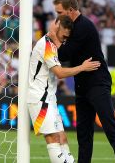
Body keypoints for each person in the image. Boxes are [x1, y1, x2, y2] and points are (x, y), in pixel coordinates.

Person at [49, 0, 115, 163]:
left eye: (59, 12)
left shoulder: (84, 27)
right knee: (83, 134)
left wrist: (54, 35)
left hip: (97, 84)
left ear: (71, 10)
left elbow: (64, 55)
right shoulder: (74, 27)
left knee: (110, 127)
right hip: (82, 86)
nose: (57, 16)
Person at [27, 15, 101, 163]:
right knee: (53, 137)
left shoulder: (53, 44)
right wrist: (82, 67)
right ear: (56, 26)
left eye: (66, 38)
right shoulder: (46, 45)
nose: (63, 40)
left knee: (62, 137)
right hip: (40, 98)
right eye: (62, 36)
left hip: (49, 98)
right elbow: (60, 73)